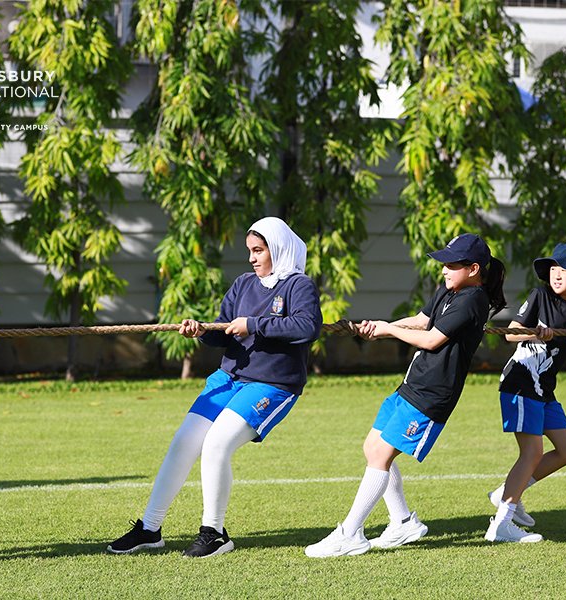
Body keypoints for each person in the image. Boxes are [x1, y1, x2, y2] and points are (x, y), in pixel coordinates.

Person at [107, 217, 321, 558]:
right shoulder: (242, 284)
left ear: (278, 248)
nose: (252, 258)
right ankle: (149, 529)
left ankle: (214, 533)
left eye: (258, 250)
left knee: (217, 445)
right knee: (184, 441)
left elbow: (308, 327)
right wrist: (202, 330)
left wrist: (253, 324)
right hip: (229, 378)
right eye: (249, 251)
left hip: (272, 384)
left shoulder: (299, 286)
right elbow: (223, 331)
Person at [304, 233, 505, 558]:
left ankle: (350, 533)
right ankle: (403, 522)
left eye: (452, 264)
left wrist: (386, 330)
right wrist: (378, 327)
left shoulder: (473, 300)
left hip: (433, 394)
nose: (444, 269)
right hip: (413, 383)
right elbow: (421, 321)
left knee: (381, 454)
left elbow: (430, 340)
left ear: (474, 269)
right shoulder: (450, 290)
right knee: (372, 446)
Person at [485, 243, 566, 543]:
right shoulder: (540, 295)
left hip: (545, 389)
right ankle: (502, 524)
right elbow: (510, 332)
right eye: (554, 268)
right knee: (531, 452)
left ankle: (507, 493)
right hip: (520, 382)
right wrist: (536, 332)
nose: (557, 275)